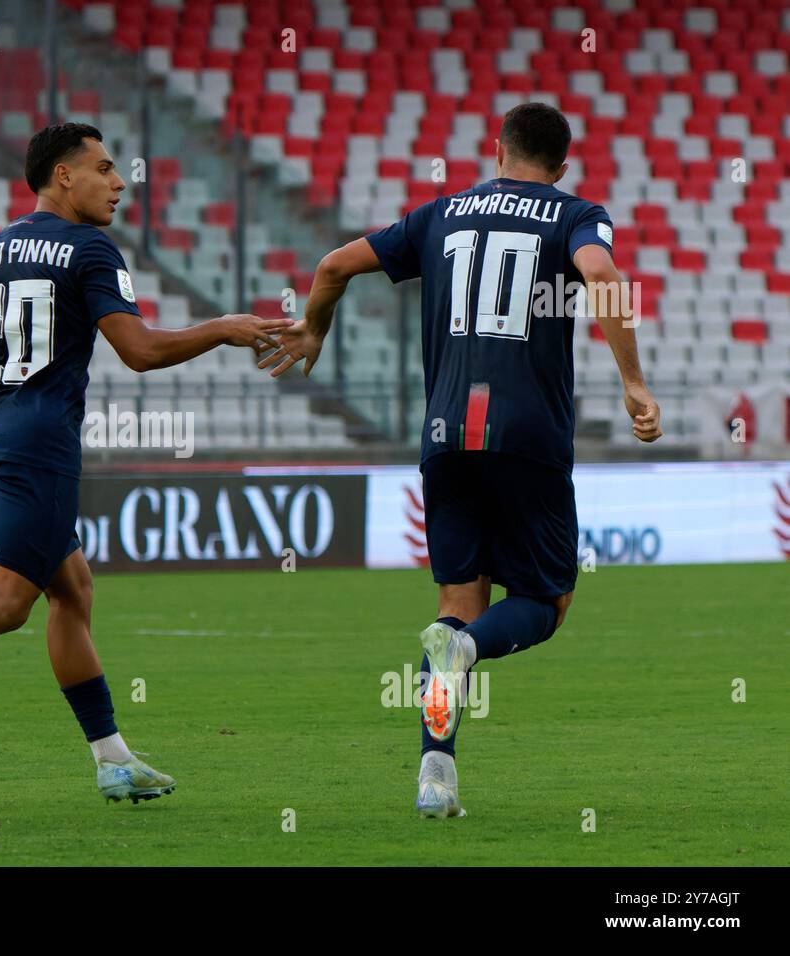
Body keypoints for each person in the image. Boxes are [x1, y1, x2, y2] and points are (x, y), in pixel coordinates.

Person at [0, 122, 286, 804]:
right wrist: (222, 328)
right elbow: (138, 351)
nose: (119, 184)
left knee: (72, 591)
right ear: (63, 176)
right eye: (106, 169)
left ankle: (112, 758)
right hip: (38, 441)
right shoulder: (89, 248)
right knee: (10, 600)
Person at [261, 102, 663, 818]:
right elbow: (601, 273)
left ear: (497, 148)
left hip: (446, 436)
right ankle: (473, 651)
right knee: (544, 602)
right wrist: (634, 381)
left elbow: (331, 265)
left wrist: (314, 330)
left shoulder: (437, 215)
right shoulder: (574, 212)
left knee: (452, 610)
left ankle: (435, 777)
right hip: (529, 436)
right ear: (562, 166)